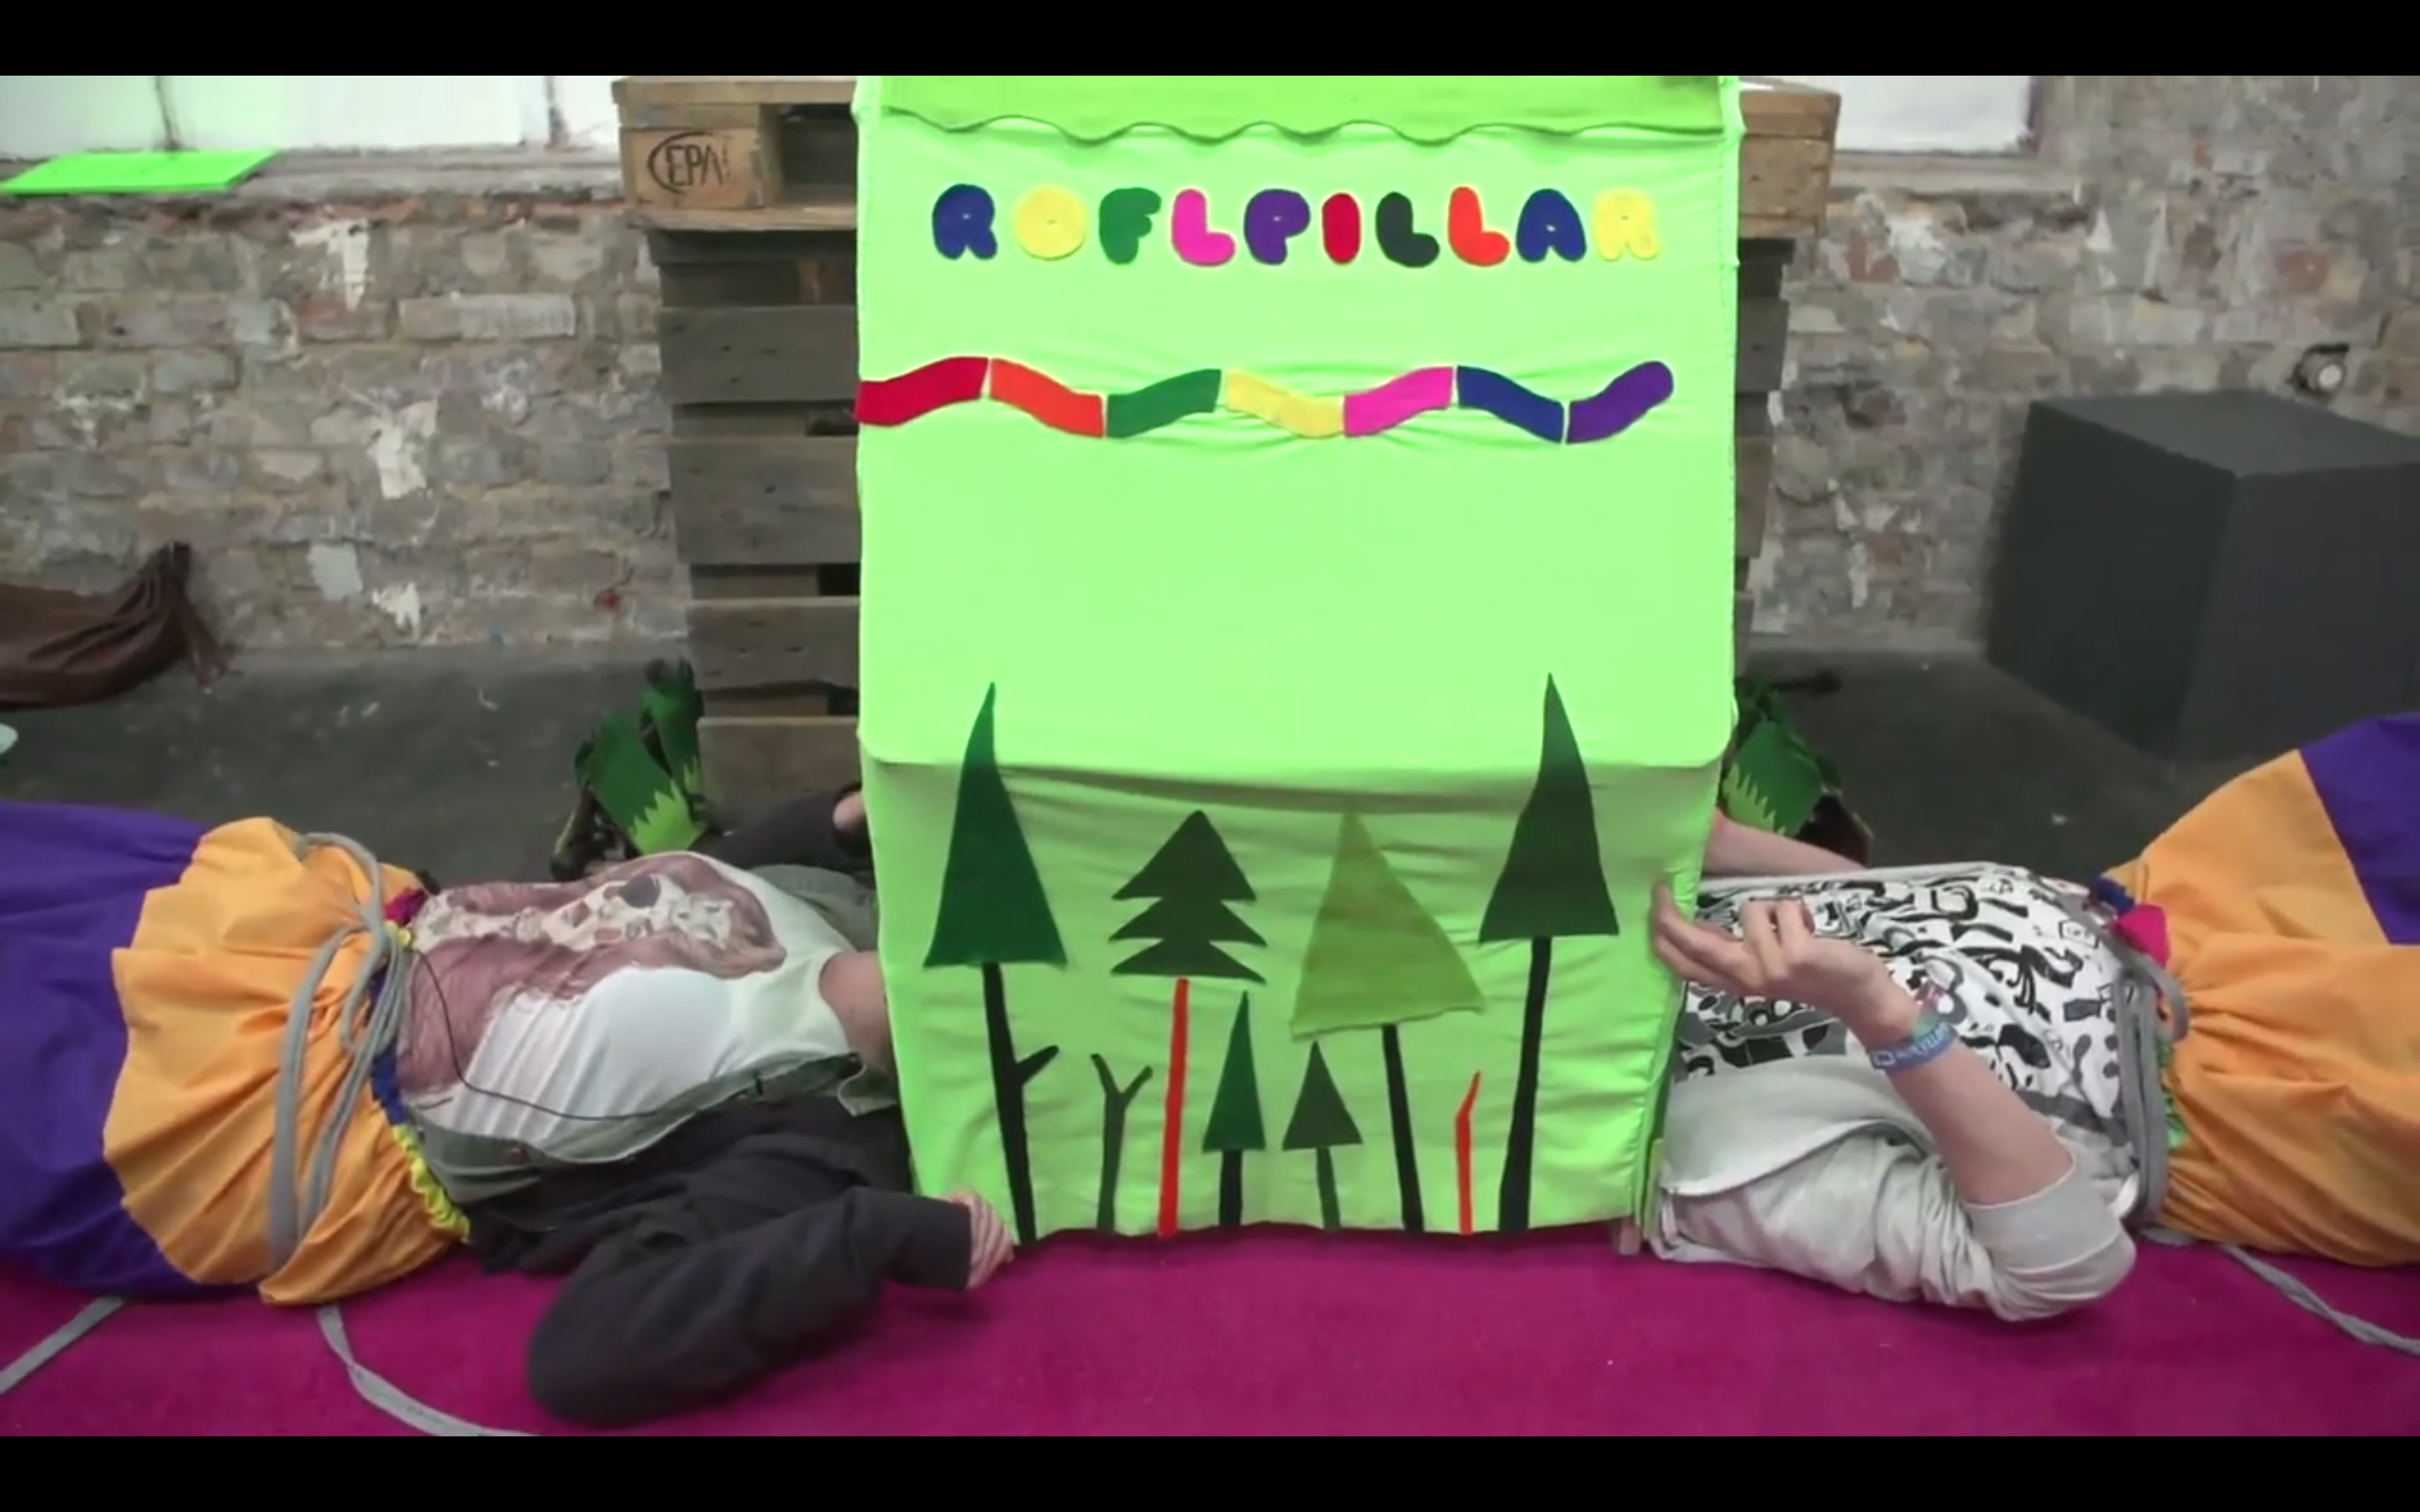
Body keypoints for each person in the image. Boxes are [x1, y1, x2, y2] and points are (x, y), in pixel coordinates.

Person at [0, 788, 1010, 1432]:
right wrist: (844, 813)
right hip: (298, 928)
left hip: (268, 1105)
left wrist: (880, 1239)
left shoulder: (822, 1141)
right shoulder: (845, 895)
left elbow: (582, 1359)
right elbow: (674, 903)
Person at [1660, 722, 2420, 1352]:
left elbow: (1866, 909)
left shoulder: (1642, 912)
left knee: (2386, 773)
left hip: (2173, 907)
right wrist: (1882, 1014)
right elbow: (2062, 1269)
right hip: (2228, 1090)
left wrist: (1724, 846)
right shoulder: (1694, 1150)